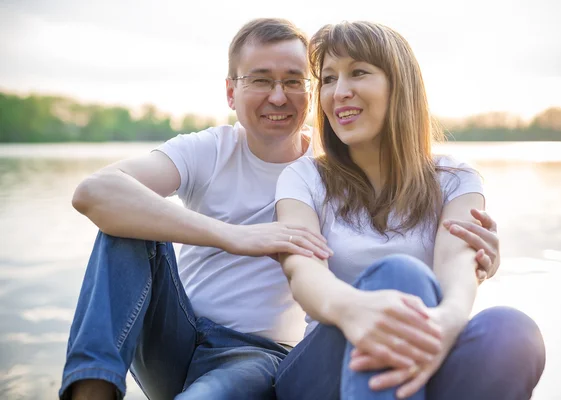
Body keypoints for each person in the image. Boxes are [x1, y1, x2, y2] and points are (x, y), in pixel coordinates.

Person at [60, 18, 503, 400]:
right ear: (231, 92)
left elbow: (387, 243)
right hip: (171, 332)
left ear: (309, 95)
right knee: (126, 221)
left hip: (255, 353)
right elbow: (95, 192)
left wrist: (473, 259)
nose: (278, 96)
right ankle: (92, 390)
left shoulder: (321, 175)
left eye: (294, 80)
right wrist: (235, 236)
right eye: (260, 80)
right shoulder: (208, 149)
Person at [273, 21, 545, 400]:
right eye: (329, 79)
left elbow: (457, 274)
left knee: (513, 331)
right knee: (400, 275)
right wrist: (358, 311)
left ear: (399, 86)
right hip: (320, 374)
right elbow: (304, 275)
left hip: (427, 354)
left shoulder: (456, 180)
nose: (339, 92)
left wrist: (445, 326)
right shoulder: (302, 178)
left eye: (358, 73)